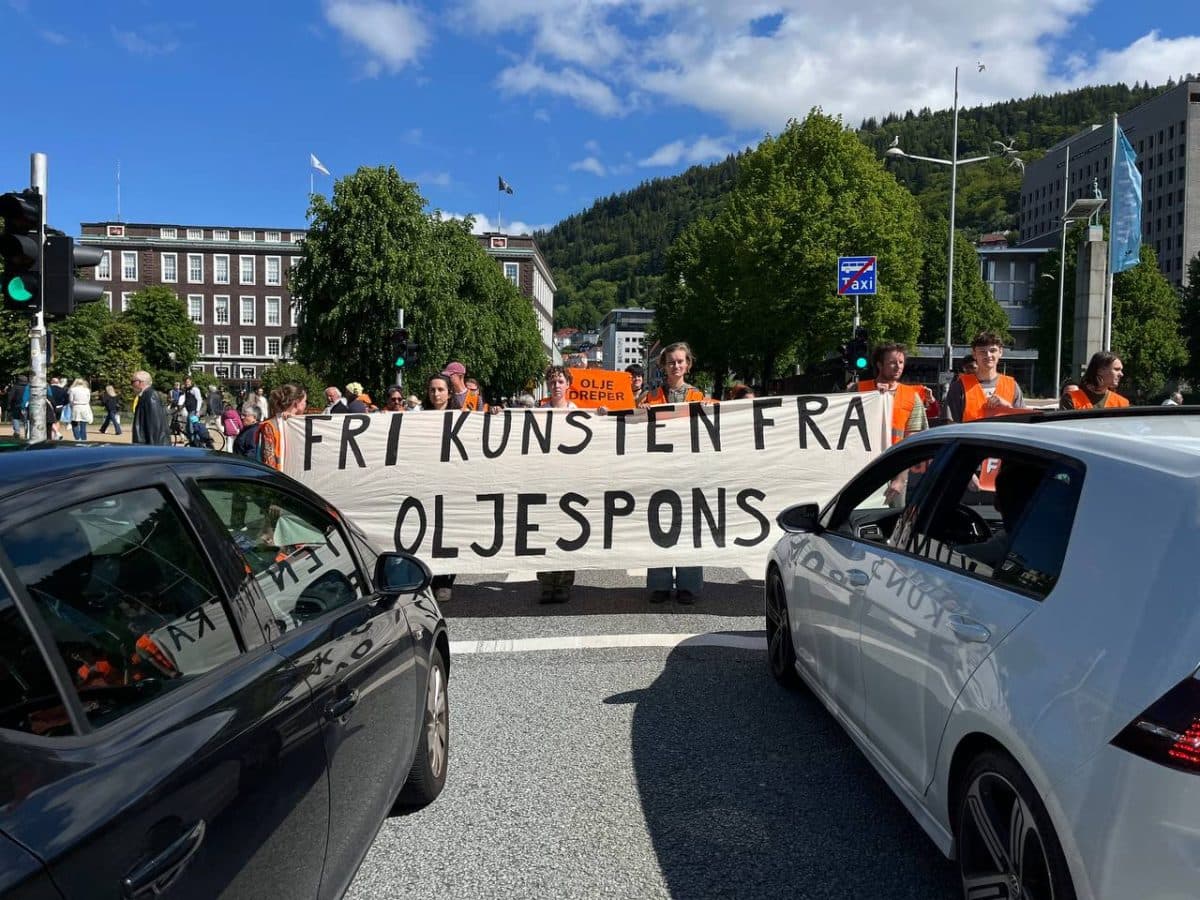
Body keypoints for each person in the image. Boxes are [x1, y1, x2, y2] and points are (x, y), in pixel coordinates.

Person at [640, 341, 707, 604]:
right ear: (664, 366)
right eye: (671, 362)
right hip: (659, 472)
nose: (676, 366)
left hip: (689, 472)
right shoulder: (651, 397)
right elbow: (632, 426)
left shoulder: (699, 397)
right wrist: (641, 414)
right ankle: (660, 584)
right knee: (658, 527)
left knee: (689, 529)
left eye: (680, 361)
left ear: (687, 365)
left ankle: (688, 586)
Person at [858, 343, 928, 505]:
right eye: (892, 362)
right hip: (860, 469)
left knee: (892, 517)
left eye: (901, 362)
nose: (898, 367)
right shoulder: (859, 390)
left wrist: (900, 479)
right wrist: (873, 396)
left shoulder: (912, 397)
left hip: (894, 469)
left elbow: (911, 442)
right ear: (879, 365)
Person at [535, 366, 579, 604]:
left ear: (568, 384)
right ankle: (546, 582)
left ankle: (563, 583)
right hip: (545, 480)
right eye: (552, 382)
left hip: (568, 480)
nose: (556, 386)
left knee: (566, 532)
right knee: (544, 532)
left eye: (560, 381)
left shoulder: (578, 413)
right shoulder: (538, 413)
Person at [955, 459, 1045, 569]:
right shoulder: (1050, 538)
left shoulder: (1005, 545)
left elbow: (954, 556)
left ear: (996, 503)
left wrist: (953, 549)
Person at [943, 331, 1025, 423]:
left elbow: (1023, 424)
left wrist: (1008, 408)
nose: (988, 355)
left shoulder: (1012, 386)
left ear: (1000, 352)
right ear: (974, 354)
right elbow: (949, 426)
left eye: (993, 350)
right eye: (982, 351)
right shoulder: (959, 387)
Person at [257, 383, 307, 471]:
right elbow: (268, 460)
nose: (306, 404)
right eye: (304, 401)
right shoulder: (272, 425)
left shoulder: (302, 423)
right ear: (296, 403)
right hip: (281, 475)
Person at [1061, 351, 1130, 410]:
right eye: (1116, 369)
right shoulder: (1071, 399)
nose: (1121, 374)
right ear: (1100, 370)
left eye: (1121, 370)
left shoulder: (1122, 403)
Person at [130, 370, 169, 445]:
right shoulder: (146, 396)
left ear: (140, 382)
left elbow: (155, 427)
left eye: (133, 382)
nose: (131, 385)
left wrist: (152, 449)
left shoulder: (150, 396)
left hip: (153, 447)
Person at [7, 374, 28, 439]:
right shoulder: (28, 387)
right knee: (26, 420)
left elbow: (10, 397)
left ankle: (17, 432)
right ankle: (27, 433)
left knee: (15, 418)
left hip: (16, 405)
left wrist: (9, 405)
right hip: (26, 406)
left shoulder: (15, 387)